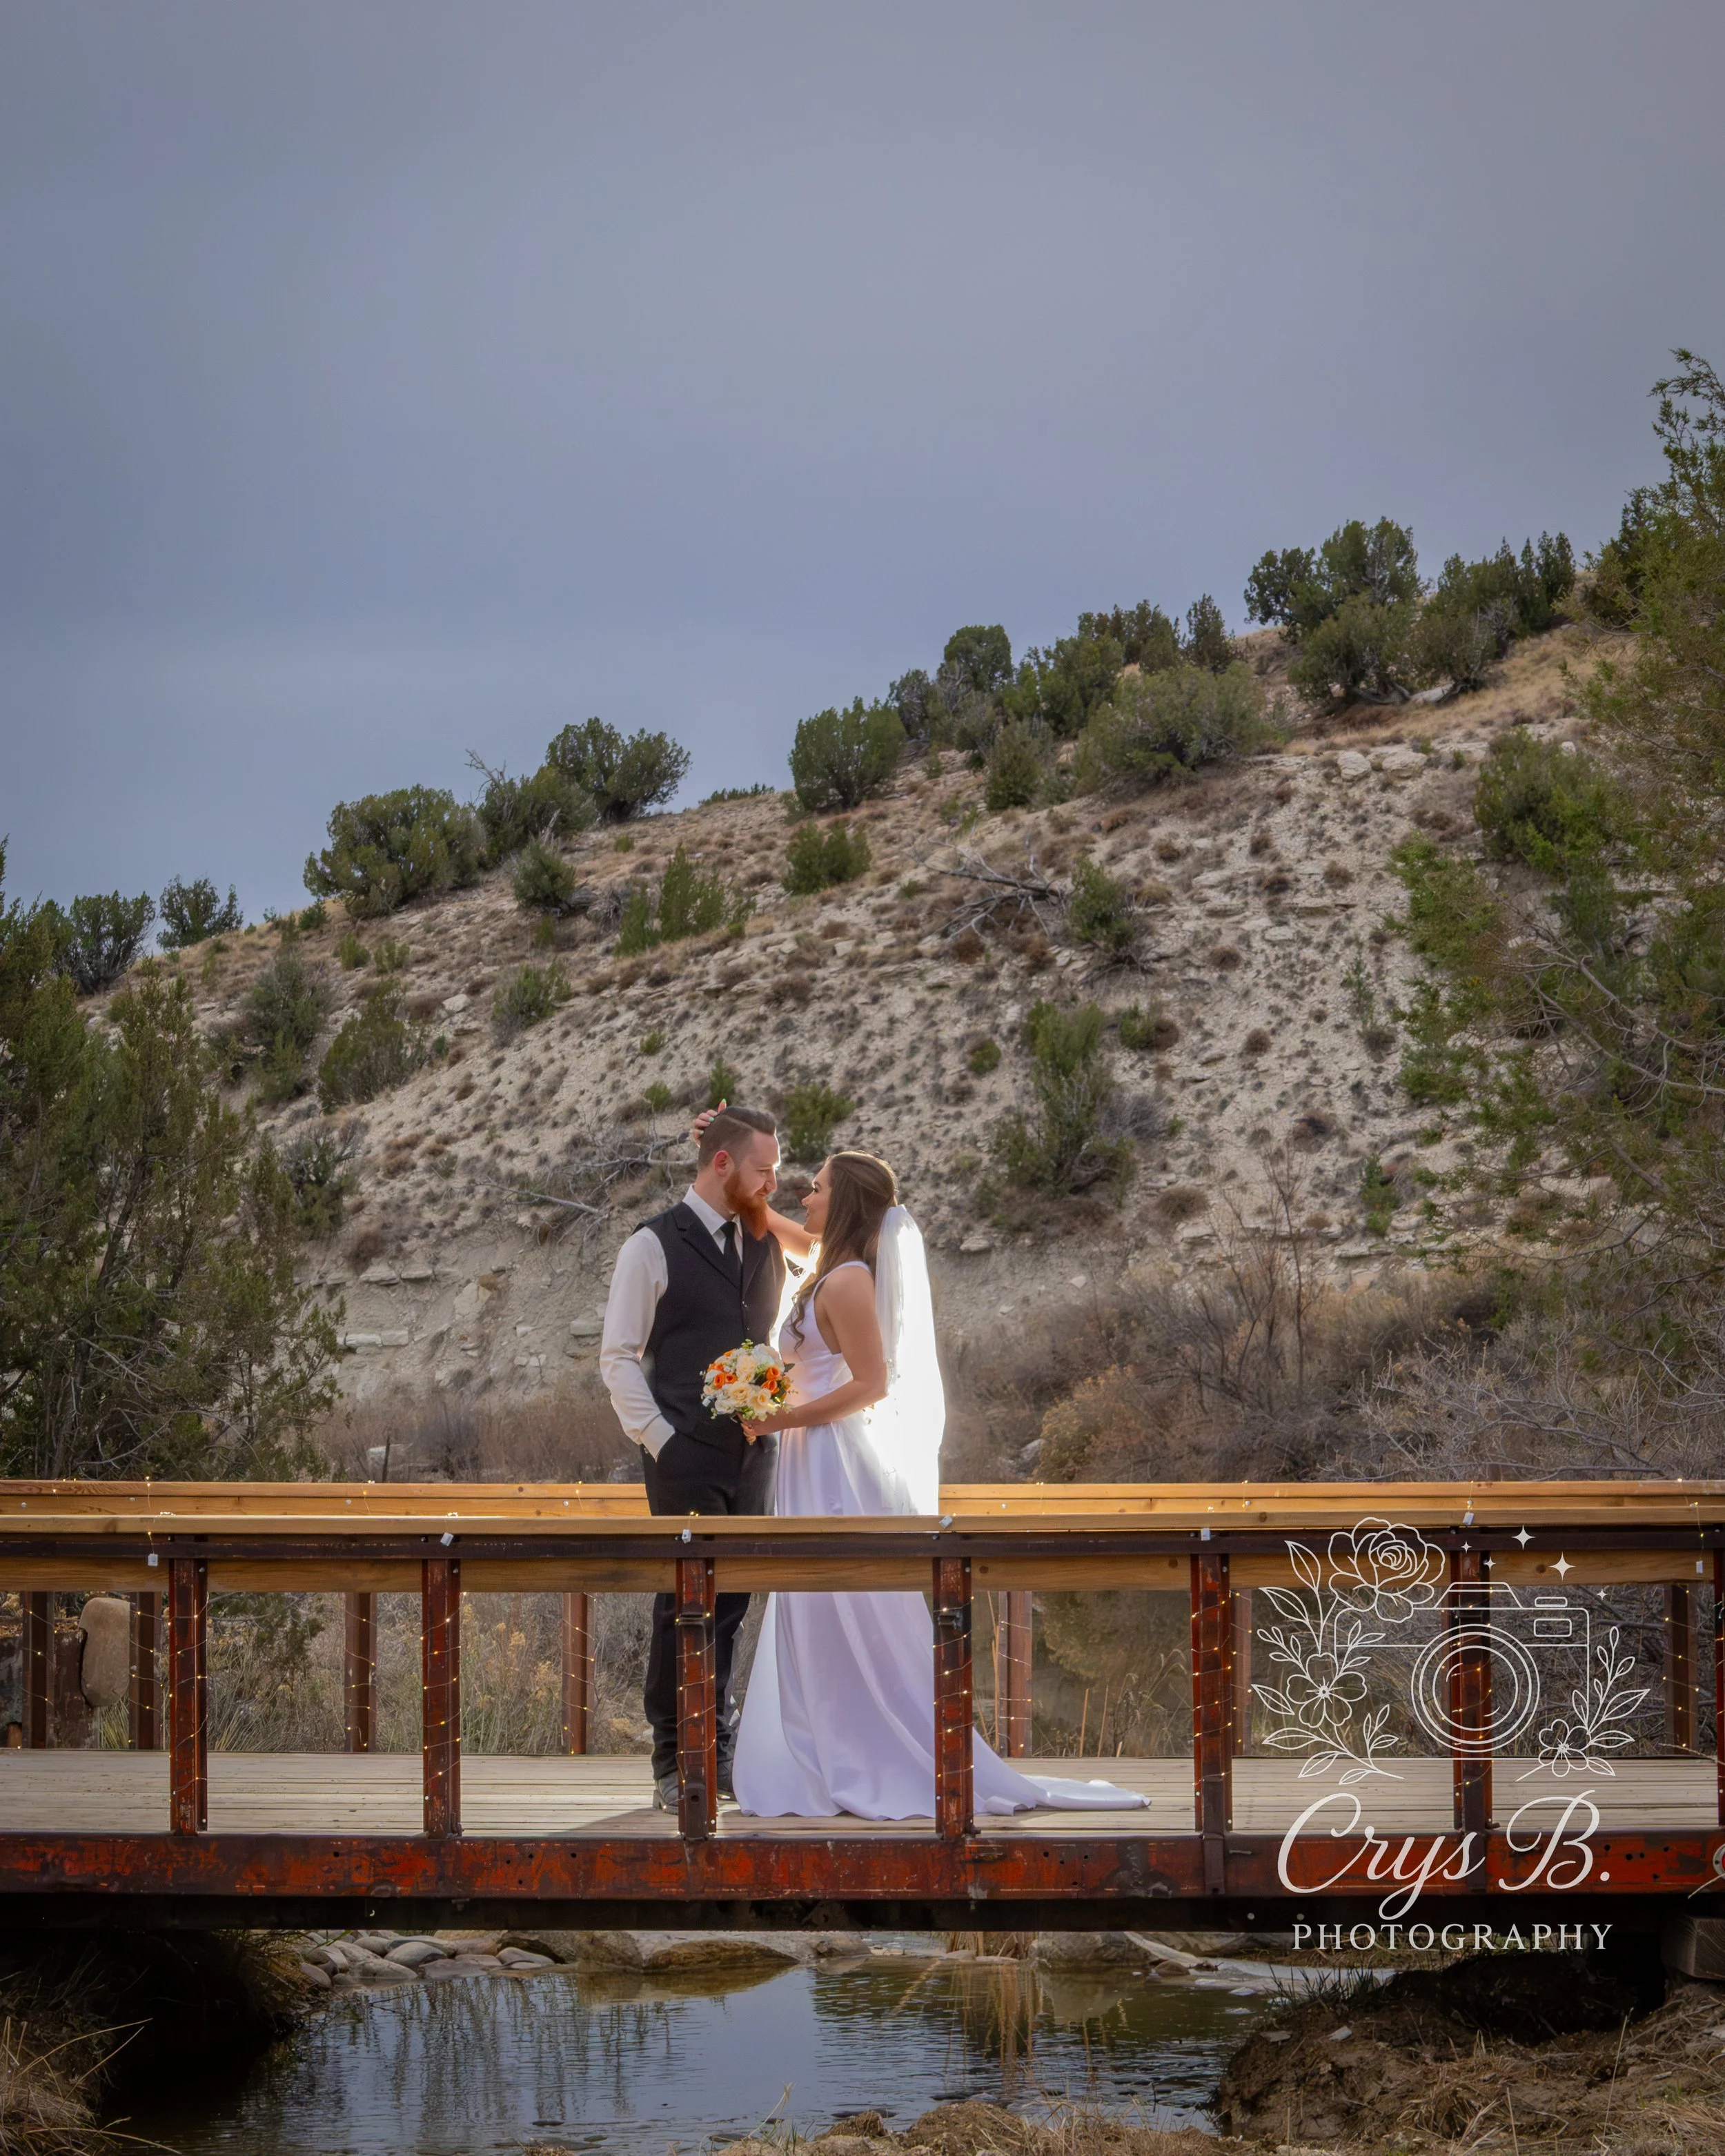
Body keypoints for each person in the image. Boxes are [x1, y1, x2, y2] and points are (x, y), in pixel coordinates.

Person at [711, 1136, 1146, 1820]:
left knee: (842, 1603)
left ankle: (868, 1753)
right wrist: (729, 1158)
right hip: (807, 1452)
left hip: (831, 1460)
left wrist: (775, 1421)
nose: (805, 1194)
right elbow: (767, 1221)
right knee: (812, 1606)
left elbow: (871, 1384)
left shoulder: (849, 1277)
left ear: (846, 1200)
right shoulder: (825, 1265)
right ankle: (827, 1748)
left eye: (818, 1186)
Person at [598, 1105, 787, 1810]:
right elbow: (617, 1357)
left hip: (752, 1455)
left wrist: (765, 1410)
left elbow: (765, 1338)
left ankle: (719, 1748)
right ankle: (672, 1761)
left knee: (733, 1602)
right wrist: (662, 1439)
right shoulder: (651, 1245)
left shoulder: (765, 1239)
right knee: (684, 1604)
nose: (774, 1180)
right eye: (763, 1167)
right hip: (681, 1454)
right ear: (722, 1164)